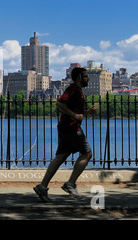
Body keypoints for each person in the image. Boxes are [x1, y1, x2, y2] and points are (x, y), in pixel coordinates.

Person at [34, 67, 97, 201]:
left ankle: (42, 187)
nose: (88, 78)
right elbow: (59, 103)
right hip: (71, 127)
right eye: (85, 76)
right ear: (79, 77)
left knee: (61, 156)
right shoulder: (73, 89)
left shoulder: (78, 91)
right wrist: (75, 115)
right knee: (87, 153)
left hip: (66, 127)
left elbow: (76, 109)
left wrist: (87, 112)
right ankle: (70, 184)